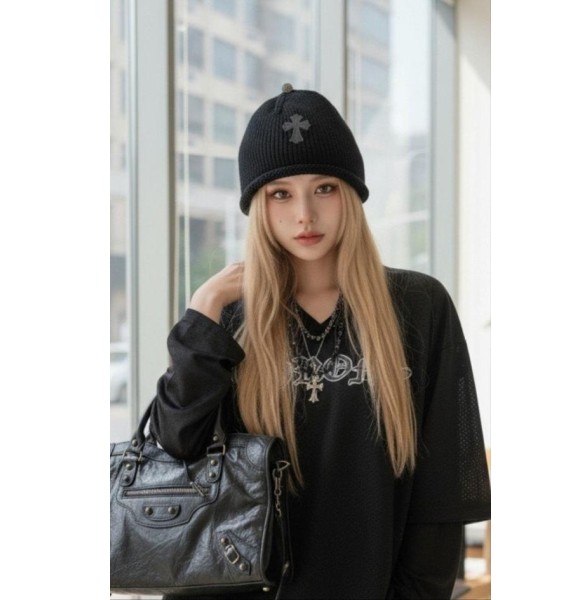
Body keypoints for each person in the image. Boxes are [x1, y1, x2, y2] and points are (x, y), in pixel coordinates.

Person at [150, 85, 491, 600]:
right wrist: (202, 311)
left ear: (350, 194)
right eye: (280, 194)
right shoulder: (230, 317)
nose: (304, 214)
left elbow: (443, 493)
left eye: (324, 188)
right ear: (257, 206)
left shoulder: (419, 306)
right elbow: (176, 446)